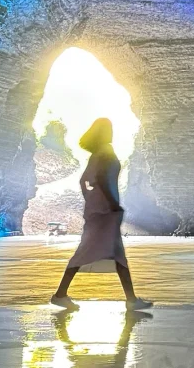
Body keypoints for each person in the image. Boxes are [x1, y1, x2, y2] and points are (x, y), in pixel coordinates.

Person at [50, 116, 152, 311]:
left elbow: (84, 181)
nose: (112, 132)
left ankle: (130, 299)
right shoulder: (105, 152)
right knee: (90, 252)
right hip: (105, 211)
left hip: (97, 208)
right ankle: (60, 294)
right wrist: (113, 204)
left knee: (115, 253)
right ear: (104, 132)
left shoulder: (96, 154)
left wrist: (90, 198)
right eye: (109, 129)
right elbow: (104, 180)